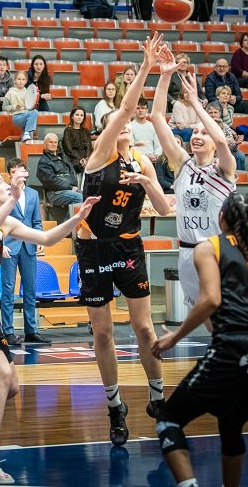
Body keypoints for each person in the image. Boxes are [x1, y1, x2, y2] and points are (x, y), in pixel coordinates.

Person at [0, 166, 98, 484]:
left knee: (10, 386)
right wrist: (14, 198)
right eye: (0, 182)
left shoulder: (5, 222)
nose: (5, 184)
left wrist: (79, 217)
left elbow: (47, 238)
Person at [152, 193, 248, 487]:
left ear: (221, 217)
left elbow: (210, 300)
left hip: (234, 345)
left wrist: (175, 336)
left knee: (168, 419)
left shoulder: (209, 246)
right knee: (231, 423)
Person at [78, 34, 173, 446]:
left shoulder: (144, 161)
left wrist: (148, 182)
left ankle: (158, 397)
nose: (126, 125)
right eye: (120, 123)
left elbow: (164, 210)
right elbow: (127, 108)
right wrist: (148, 67)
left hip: (129, 245)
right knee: (103, 333)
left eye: (128, 126)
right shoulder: (100, 155)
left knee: (145, 329)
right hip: (94, 247)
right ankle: (115, 406)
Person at [150, 44, 238, 314]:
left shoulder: (224, 169)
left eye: (204, 132)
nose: (197, 136)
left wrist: (197, 104)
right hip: (186, 252)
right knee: (203, 317)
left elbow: (222, 140)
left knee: (223, 314)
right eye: (195, 132)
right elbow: (156, 117)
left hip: (216, 251)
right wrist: (165, 75)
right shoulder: (182, 164)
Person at [0, 158, 49, 346]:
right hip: (9, 246)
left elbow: (36, 221)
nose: (17, 175)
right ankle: (8, 331)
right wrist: (0, 243)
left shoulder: (33, 194)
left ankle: (31, 330)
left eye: (20, 171)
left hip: (28, 245)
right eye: (13, 172)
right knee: (8, 289)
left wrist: (39, 238)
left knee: (30, 289)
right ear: (9, 175)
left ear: (26, 173)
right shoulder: (3, 194)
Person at [36, 133, 84, 207]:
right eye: (50, 142)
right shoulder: (43, 162)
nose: (53, 144)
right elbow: (51, 181)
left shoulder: (62, 157)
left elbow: (70, 170)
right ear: (45, 144)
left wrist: (79, 165)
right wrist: (70, 187)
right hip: (55, 193)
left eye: (55, 142)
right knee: (81, 198)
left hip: (69, 191)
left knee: (90, 197)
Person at [206, 101, 245, 171]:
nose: (213, 115)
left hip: (224, 152)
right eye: (210, 113)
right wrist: (222, 142)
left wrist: (235, 144)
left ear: (220, 114)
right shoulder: (203, 126)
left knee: (240, 155)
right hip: (210, 153)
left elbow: (232, 148)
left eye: (215, 112)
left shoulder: (225, 126)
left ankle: (238, 176)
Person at [2, 71, 39, 142]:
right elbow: (4, 107)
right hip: (17, 117)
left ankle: (27, 141)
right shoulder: (10, 93)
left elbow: (30, 105)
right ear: (15, 80)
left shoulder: (28, 92)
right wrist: (15, 107)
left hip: (27, 114)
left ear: (26, 81)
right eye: (19, 79)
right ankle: (27, 133)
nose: (21, 81)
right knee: (34, 113)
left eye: (23, 79)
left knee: (29, 129)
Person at [60, 107, 92, 175]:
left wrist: (86, 159)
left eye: (81, 115)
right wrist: (80, 159)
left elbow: (89, 147)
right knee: (77, 165)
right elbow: (68, 149)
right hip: (73, 158)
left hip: (85, 158)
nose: (79, 117)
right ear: (72, 116)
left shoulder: (86, 131)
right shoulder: (68, 131)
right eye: (77, 115)